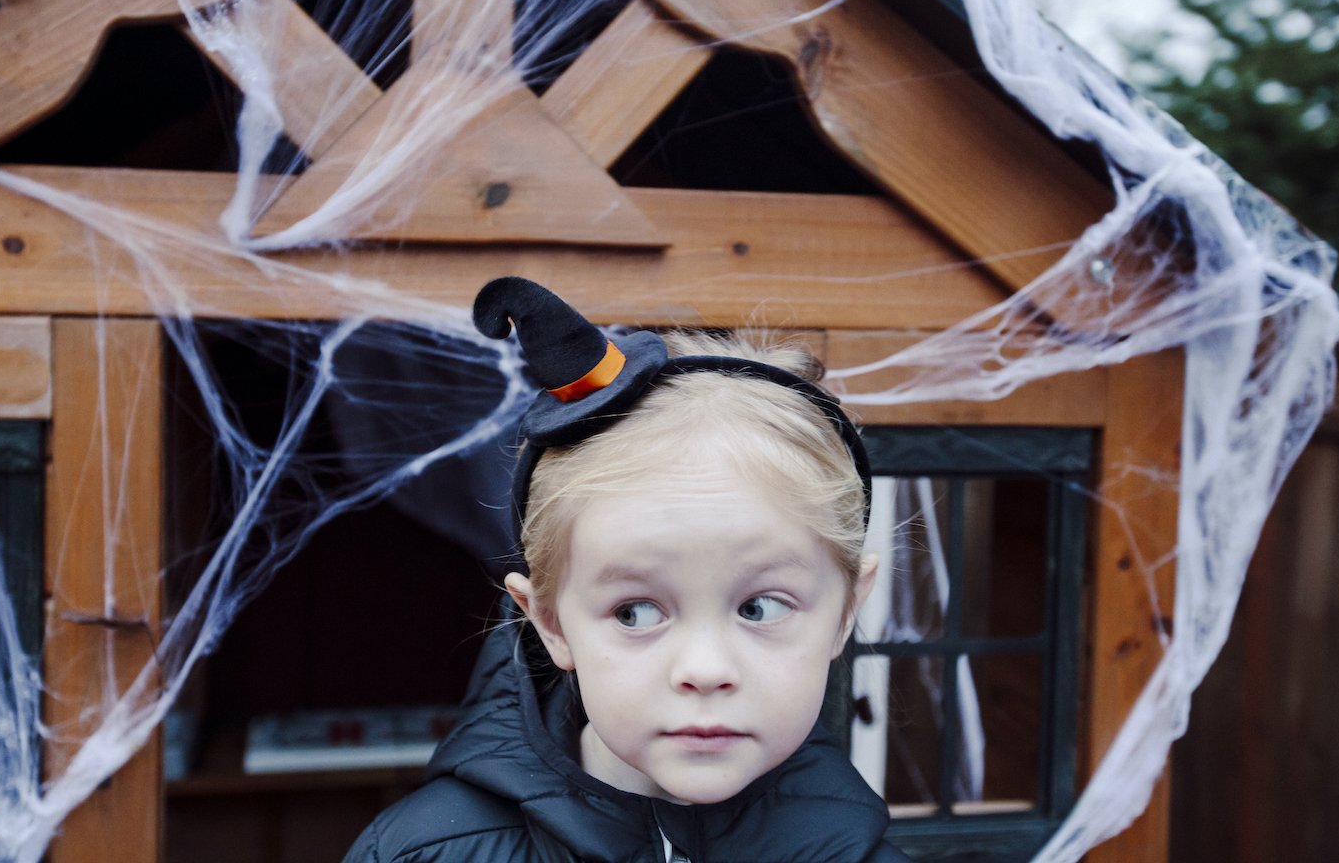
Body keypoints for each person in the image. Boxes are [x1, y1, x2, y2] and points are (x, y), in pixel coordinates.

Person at [343, 277, 912, 863]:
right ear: (550, 623)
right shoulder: (424, 854)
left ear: (845, 611)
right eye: (635, 612)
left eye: (759, 607)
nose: (705, 670)